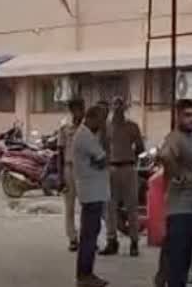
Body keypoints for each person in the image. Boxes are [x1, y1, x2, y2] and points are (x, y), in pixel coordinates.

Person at [158, 99, 192, 287]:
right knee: (178, 262)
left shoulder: (189, 139)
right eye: (187, 115)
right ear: (178, 116)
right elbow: (164, 155)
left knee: (184, 258)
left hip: (191, 209)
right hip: (180, 209)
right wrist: (178, 176)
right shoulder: (175, 137)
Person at [73, 104, 111, 287]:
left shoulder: (87, 135)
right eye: (101, 120)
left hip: (93, 191)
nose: (103, 124)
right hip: (91, 192)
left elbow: (100, 161)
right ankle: (85, 275)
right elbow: (103, 158)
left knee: (90, 234)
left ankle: (86, 273)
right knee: (89, 236)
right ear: (92, 118)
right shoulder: (85, 136)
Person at [103, 95, 145, 256]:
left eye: (120, 105)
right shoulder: (106, 127)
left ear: (125, 107)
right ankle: (112, 240)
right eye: (115, 105)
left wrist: (130, 155)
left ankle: (134, 242)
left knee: (132, 207)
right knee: (110, 207)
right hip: (111, 167)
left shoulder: (132, 126)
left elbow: (140, 147)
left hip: (128, 167)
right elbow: (102, 147)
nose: (118, 108)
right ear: (111, 107)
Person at [59, 98, 87, 252]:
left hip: (85, 170)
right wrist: (60, 177)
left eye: (80, 108)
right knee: (69, 207)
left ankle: (86, 238)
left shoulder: (88, 128)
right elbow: (59, 152)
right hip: (69, 168)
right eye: (75, 109)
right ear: (71, 110)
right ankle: (72, 238)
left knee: (86, 206)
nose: (79, 112)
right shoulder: (65, 128)